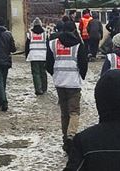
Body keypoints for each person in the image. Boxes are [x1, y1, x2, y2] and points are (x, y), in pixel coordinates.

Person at [46, 20, 88, 149]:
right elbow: (83, 64)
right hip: (73, 83)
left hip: (59, 82)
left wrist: (56, 74)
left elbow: (48, 63)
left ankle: (65, 139)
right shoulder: (78, 45)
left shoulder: (53, 44)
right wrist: (81, 76)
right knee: (74, 112)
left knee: (64, 113)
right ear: (74, 31)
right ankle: (71, 135)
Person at [25, 17, 48, 95]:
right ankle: (44, 88)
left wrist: (27, 55)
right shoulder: (45, 34)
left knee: (36, 73)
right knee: (43, 72)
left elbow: (27, 46)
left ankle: (38, 89)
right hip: (43, 56)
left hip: (33, 56)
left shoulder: (30, 34)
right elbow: (48, 45)